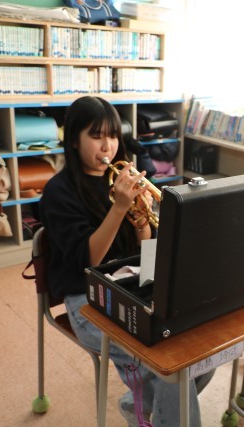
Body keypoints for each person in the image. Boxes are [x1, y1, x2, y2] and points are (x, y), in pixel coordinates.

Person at [40, 96, 210, 427]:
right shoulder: (59, 192)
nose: (108, 146)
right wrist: (119, 208)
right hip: (86, 300)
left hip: (132, 285)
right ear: (73, 140)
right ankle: (145, 407)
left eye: (113, 136)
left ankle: (137, 404)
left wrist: (141, 219)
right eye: (96, 136)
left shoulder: (122, 180)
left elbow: (146, 252)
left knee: (198, 352)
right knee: (169, 364)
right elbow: (88, 259)